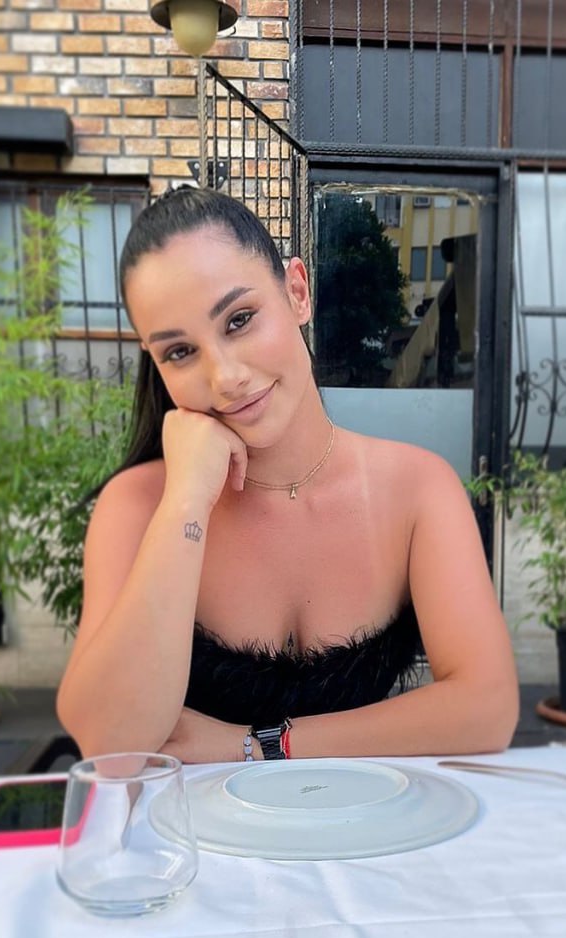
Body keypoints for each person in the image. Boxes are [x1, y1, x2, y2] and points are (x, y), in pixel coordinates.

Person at [56, 186, 519, 762]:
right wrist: (187, 501)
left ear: (297, 292)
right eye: (180, 352)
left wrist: (254, 745)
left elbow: (486, 707)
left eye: (239, 320)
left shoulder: (418, 490)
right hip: (191, 824)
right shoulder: (139, 504)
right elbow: (109, 741)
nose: (225, 377)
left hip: (372, 816)